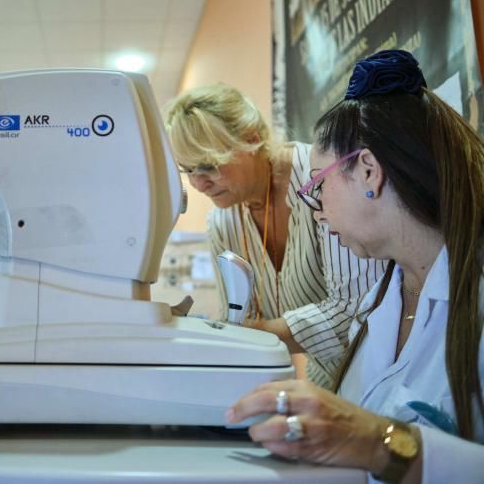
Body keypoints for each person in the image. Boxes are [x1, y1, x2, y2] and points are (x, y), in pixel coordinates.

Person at [226, 49, 484, 482]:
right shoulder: (378, 303)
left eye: (318, 185)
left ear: (368, 171)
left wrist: (379, 443)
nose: (316, 209)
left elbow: (376, 440)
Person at [164, 83, 386, 388]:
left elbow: (356, 309)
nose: (199, 185)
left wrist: (248, 333)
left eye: (208, 166)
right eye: (187, 170)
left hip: (384, 370)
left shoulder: (322, 180)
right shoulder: (223, 222)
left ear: (251, 139)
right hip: (326, 380)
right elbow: (238, 319)